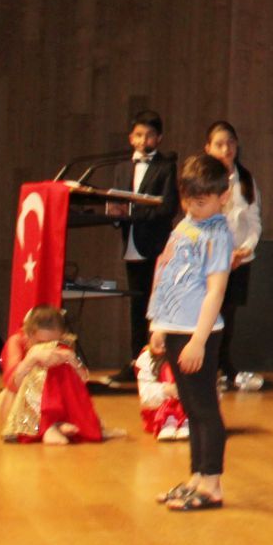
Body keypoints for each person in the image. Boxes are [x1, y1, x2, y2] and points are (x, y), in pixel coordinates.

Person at [147, 153, 235, 510]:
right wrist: (158, 324)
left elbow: (216, 291)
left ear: (223, 197)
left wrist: (199, 340)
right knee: (190, 408)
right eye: (188, 201)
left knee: (204, 407)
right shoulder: (185, 226)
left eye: (201, 202)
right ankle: (196, 477)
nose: (193, 208)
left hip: (198, 333)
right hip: (174, 328)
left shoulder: (218, 235)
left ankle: (212, 483)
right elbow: (165, 272)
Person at [106, 109, 179, 386]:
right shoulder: (122, 168)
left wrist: (132, 213)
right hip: (131, 245)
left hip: (157, 247)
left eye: (149, 135)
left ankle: (159, 365)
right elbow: (117, 202)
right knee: (136, 308)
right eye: (138, 135)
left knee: (156, 308)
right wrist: (115, 215)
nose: (143, 140)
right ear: (130, 138)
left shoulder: (166, 166)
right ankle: (136, 363)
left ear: (159, 138)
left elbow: (167, 207)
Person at [202, 122, 262, 390]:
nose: (226, 149)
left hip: (238, 260)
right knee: (208, 313)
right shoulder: (202, 178)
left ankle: (224, 365)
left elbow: (254, 220)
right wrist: (219, 253)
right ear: (208, 148)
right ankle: (207, 367)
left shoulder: (246, 179)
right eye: (219, 144)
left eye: (231, 143)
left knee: (228, 315)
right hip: (209, 259)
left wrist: (245, 248)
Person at [0, 305, 104, 444]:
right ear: (29, 335)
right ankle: (48, 426)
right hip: (20, 402)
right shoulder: (16, 341)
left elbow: (83, 380)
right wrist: (31, 360)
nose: (48, 347)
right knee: (39, 370)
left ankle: (58, 424)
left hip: (52, 399)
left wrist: (73, 361)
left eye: (53, 342)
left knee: (61, 371)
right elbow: (11, 384)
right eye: (41, 342)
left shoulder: (63, 344)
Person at [134, 334, 189, 441]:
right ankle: (167, 422)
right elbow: (145, 396)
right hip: (159, 408)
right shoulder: (147, 358)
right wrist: (164, 390)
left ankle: (186, 421)